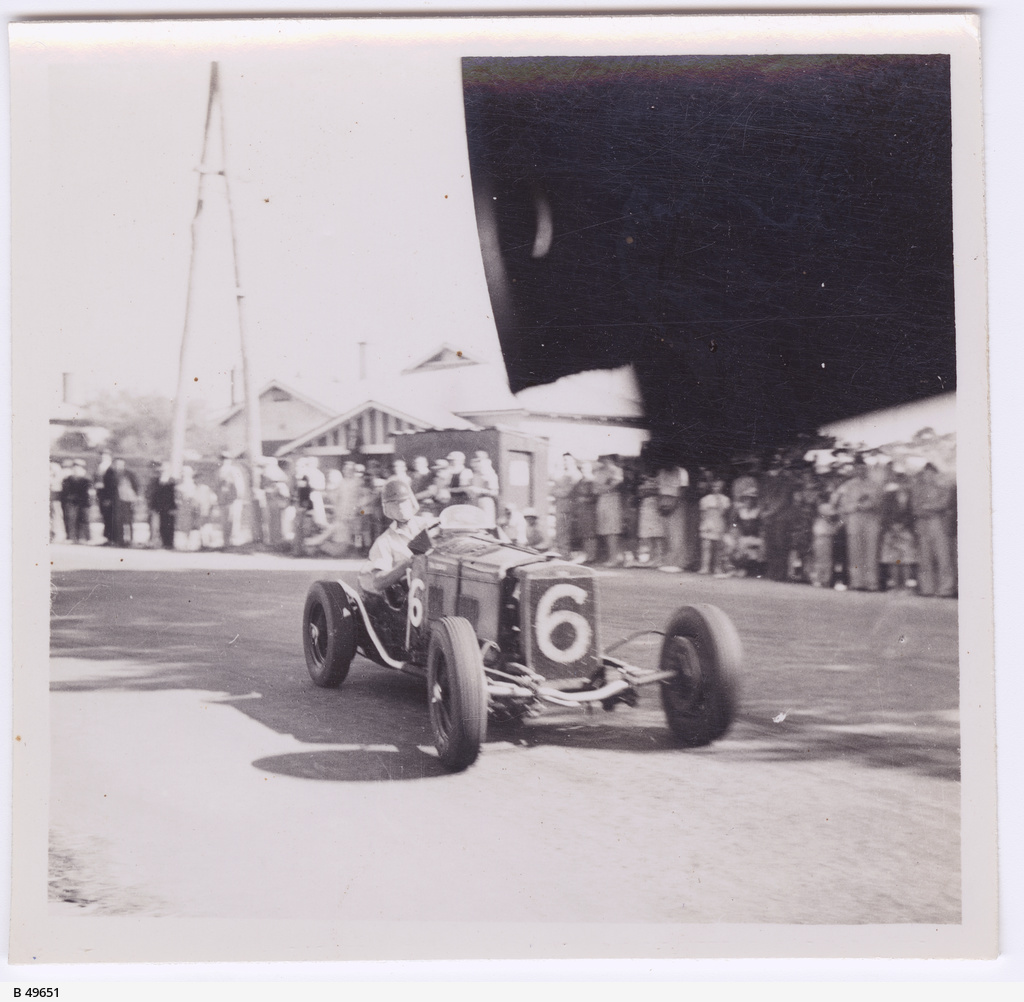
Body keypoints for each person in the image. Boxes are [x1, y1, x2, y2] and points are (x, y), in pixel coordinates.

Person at [358, 478, 436, 597]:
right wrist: (407, 564)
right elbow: (378, 582)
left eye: (404, 501)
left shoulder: (432, 524)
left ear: (411, 502)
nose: (400, 507)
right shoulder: (385, 541)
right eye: (394, 503)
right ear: (387, 509)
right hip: (411, 597)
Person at [698, 479, 731, 575]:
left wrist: (718, 499)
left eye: (719, 486)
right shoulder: (705, 499)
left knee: (718, 548)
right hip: (708, 523)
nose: (716, 488)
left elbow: (722, 512)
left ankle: (717, 568)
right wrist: (705, 523)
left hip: (719, 523)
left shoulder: (725, 499)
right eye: (714, 486)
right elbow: (703, 513)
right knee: (706, 547)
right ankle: (705, 567)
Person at [552, 453, 581, 557]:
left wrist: (558, 492)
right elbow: (553, 490)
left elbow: (566, 491)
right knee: (560, 529)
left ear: (573, 461)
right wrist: (557, 491)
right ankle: (561, 551)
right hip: (561, 505)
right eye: (564, 460)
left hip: (569, 506)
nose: (565, 463)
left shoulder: (575, 474)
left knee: (565, 530)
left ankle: (565, 553)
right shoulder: (562, 473)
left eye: (567, 460)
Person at [61, 461, 93, 544]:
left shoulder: (86, 479)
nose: (76, 469)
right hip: (72, 502)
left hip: (84, 502)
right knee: (71, 520)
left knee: (84, 519)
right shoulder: (68, 479)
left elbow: (90, 491)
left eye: (78, 467)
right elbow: (65, 491)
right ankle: (71, 537)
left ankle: (84, 538)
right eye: (74, 467)